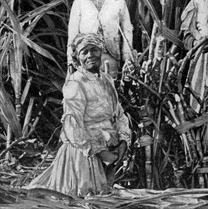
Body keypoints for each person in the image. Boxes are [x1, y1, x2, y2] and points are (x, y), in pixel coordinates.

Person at [28, 34, 131, 197]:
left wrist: (123, 142)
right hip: (83, 155)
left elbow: (118, 114)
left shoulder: (107, 80)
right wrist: (101, 152)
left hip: (109, 148)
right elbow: (72, 123)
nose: (90, 55)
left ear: (101, 51)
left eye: (94, 50)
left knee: (103, 198)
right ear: (78, 57)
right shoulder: (75, 83)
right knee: (83, 198)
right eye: (85, 52)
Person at [67, 0, 134, 79]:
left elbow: (127, 31)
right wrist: (71, 61)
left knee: (110, 91)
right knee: (89, 92)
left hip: (111, 56)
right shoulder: (80, 2)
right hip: (86, 58)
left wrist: (127, 59)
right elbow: (72, 34)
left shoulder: (118, 0)